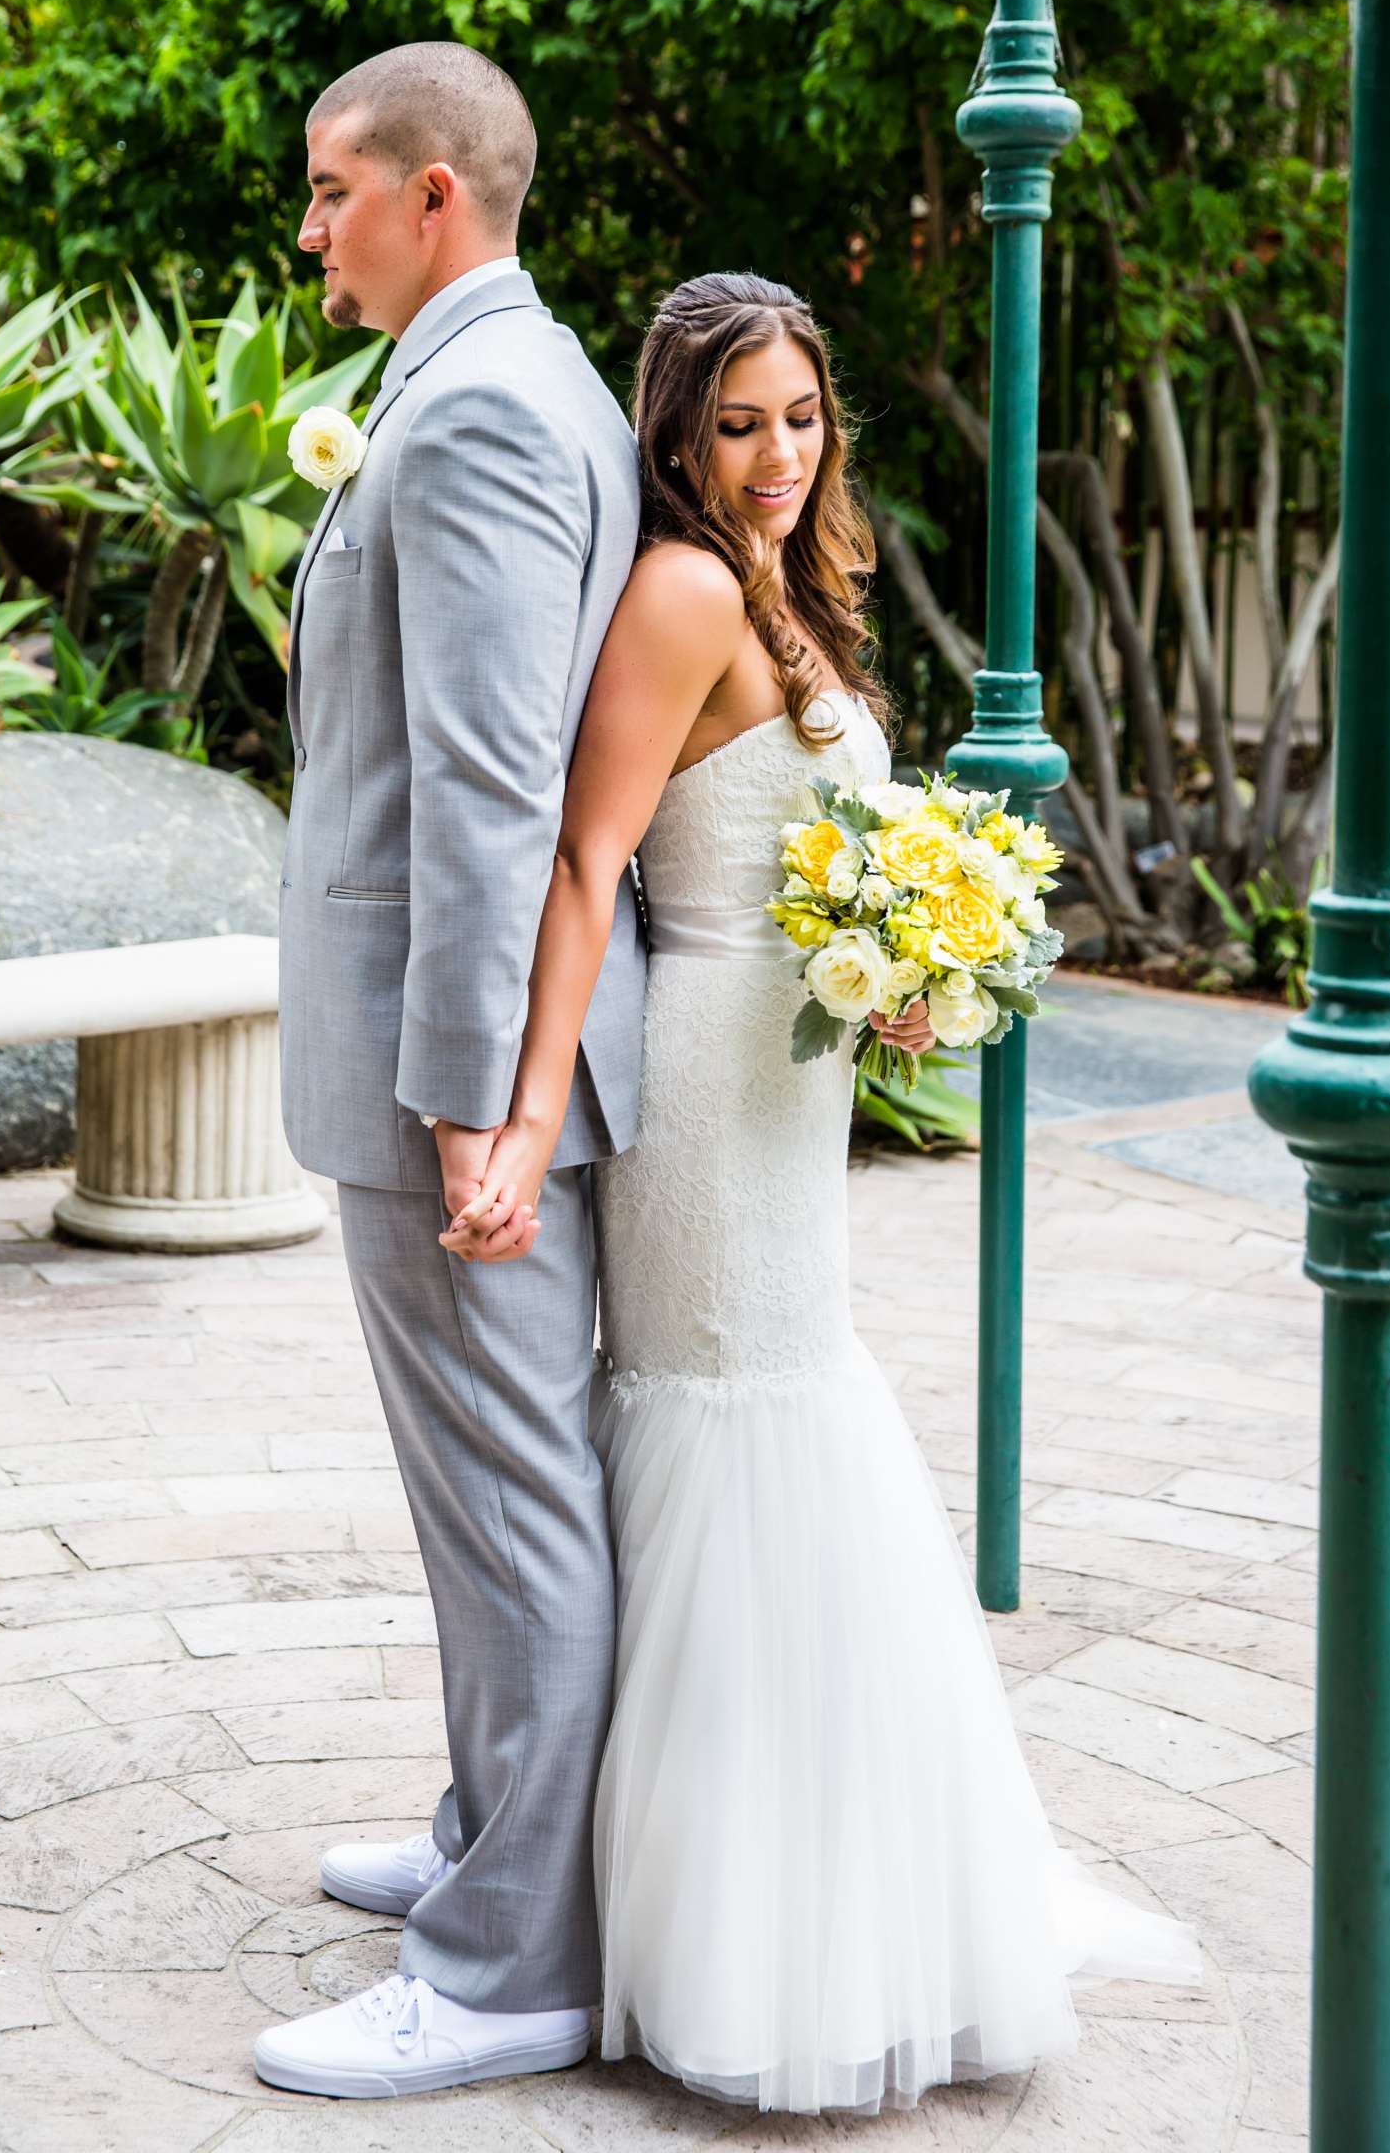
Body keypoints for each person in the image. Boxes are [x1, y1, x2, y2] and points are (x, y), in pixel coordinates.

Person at [442, 271, 1204, 2115]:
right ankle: (713, 1924)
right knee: (727, 1428)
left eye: (798, 418)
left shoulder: (787, 580)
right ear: (679, 433)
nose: (777, 456)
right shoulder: (688, 587)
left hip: (788, 1076)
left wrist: (911, 944)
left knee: (805, 1419)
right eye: (737, 424)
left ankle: (846, 1884)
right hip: (702, 1075)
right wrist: (531, 1114)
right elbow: (584, 865)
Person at [255, 43, 646, 2100]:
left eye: (331, 191)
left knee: (513, 1511)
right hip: (448, 1064)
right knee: (482, 1499)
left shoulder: (485, 407)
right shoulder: (482, 376)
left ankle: (507, 1968)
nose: (308, 228)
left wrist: (476, 1098)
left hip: (460, 1085)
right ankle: (480, 1843)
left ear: (432, 198)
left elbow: (496, 793)